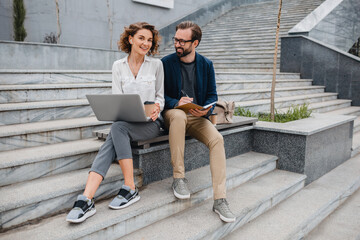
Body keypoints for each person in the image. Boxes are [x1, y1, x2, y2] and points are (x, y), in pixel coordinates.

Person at [66, 22, 164, 223]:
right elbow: (117, 98)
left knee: (116, 130)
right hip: (126, 123)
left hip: (151, 124)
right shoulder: (118, 66)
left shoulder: (156, 65)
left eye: (149, 40)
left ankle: (118, 190)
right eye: (141, 38)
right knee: (117, 129)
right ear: (130, 39)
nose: (146, 43)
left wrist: (157, 107)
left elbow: (160, 96)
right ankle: (89, 196)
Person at [161, 21, 236, 223]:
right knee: (177, 115)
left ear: (195, 43)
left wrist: (206, 109)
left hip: (196, 116)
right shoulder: (166, 63)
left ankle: (220, 199)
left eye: (182, 41)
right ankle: (179, 178)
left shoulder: (206, 65)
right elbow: (159, 96)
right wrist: (176, 102)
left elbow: (212, 95)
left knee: (217, 139)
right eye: (176, 39)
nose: (177, 44)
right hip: (173, 114)